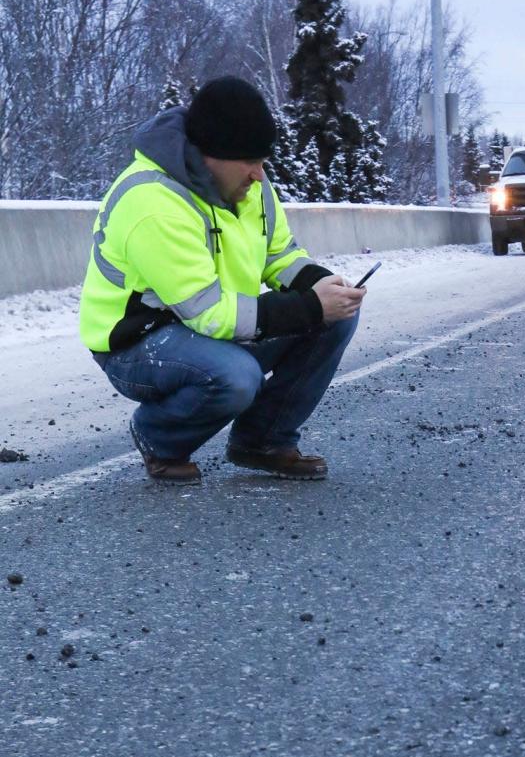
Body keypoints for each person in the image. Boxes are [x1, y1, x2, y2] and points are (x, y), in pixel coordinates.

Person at [79, 77, 366, 484]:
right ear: (211, 155)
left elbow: (279, 254)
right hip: (136, 344)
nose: (260, 176)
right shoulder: (152, 202)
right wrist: (309, 305)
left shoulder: (248, 187)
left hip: (208, 326)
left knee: (334, 317)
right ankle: (159, 436)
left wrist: (322, 285)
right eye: (251, 162)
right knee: (236, 376)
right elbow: (208, 313)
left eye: (263, 161)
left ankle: (263, 441)